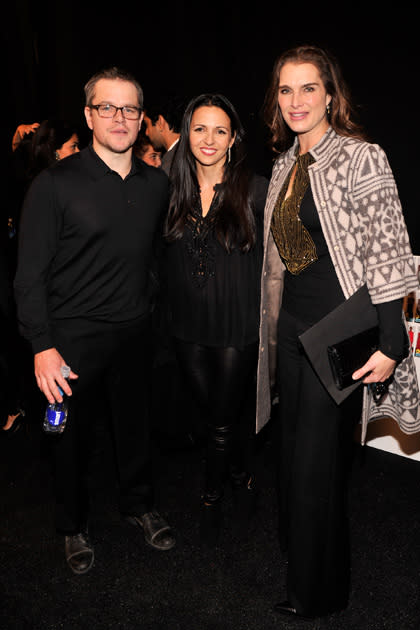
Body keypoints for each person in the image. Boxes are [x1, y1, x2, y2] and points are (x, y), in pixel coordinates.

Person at [257, 44, 420, 619]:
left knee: (317, 469)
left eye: (308, 88)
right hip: (291, 333)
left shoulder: (360, 157)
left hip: (340, 334)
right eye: (285, 89)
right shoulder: (283, 164)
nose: (296, 100)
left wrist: (391, 343)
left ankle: (317, 593)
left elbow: (389, 252)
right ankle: (304, 566)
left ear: (330, 95)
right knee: (294, 461)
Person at [14, 66, 176, 575]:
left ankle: (139, 505)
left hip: (133, 333)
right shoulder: (54, 184)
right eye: (107, 107)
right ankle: (71, 526)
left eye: (130, 109)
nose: (120, 118)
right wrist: (42, 344)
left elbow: (152, 257)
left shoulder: (155, 184)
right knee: (67, 441)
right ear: (89, 115)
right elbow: (28, 275)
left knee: (135, 429)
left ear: (141, 117)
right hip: (71, 341)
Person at [163, 93, 268, 545]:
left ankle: (211, 500)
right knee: (211, 415)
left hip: (236, 326)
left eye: (220, 130)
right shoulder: (167, 189)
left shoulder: (256, 189)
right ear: (186, 133)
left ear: (233, 139)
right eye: (200, 128)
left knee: (222, 420)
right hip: (186, 326)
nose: (209, 139)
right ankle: (242, 473)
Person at [2, 119, 81, 435]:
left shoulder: (47, 185)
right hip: (54, 307)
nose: (81, 152)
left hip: (59, 306)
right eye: (74, 146)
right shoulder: (45, 190)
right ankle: (57, 426)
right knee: (57, 382)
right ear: (58, 153)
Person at [143, 95, 187, 175]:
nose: (147, 132)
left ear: (160, 123)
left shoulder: (169, 167)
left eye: (147, 124)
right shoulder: (189, 153)